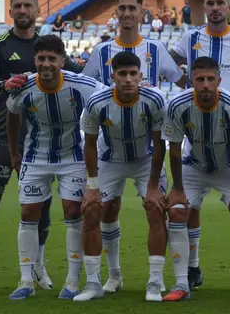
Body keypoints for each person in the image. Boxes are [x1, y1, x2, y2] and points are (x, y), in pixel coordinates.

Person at [0, 0, 83, 296]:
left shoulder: (47, 47)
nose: (22, 9)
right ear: (11, 11)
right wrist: (4, 84)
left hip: (41, 138)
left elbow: (78, 73)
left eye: (28, 5)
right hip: (2, 135)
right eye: (17, 5)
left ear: (37, 11)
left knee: (42, 205)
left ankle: (38, 264)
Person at [168, 0, 230, 288]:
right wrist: (188, 87)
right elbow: (169, 65)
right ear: (204, 7)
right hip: (196, 133)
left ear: (229, 7)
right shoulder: (190, 38)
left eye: (220, 2)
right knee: (187, 207)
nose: (215, 8)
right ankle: (192, 268)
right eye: (210, 3)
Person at [5, 35, 102, 300]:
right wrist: (14, 153)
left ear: (62, 60)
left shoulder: (82, 85)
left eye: (51, 59)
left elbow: (108, 99)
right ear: (35, 60)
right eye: (41, 58)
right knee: (28, 213)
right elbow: (11, 114)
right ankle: (26, 280)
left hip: (73, 157)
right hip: (35, 158)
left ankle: (72, 282)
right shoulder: (24, 87)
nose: (46, 64)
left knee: (73, 212)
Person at [161, 56, 230, 302]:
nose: (205, 85)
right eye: (200, 79)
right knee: (178, 210)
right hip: (194, 165)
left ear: (219, 81)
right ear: (191, 81)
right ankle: (182, 282)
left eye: (210, 79)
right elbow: (173, 148)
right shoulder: (177, 105)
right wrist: (178, 189)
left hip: (228, 166)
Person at [80, 52, 169, 301]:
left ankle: (155, 280)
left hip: (146, 160)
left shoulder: (155, 99)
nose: (128, 79)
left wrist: (152, 186)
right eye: (123, 74)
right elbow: (88, 145)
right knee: (92, 210)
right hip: (110, 159)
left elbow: (159, 143)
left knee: (155, 207)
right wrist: (93, 185)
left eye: (133, 74)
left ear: (141, 76)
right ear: (113, 77)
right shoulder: (97, 102)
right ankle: (100, 281)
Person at [84, 0, 185, 89]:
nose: (127, 14)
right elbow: (82, 87)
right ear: (116, 12)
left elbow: (184, 83)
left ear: (141, 13)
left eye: (132, 8)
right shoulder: (101, 51)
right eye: (122, 8)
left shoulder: (156, 48)